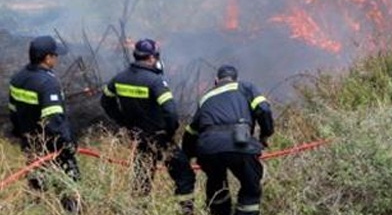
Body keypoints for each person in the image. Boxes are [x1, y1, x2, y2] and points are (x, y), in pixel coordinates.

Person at [100, 38, 195, 214]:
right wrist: (169, 132)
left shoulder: (119, 78)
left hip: (138, 138)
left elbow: (105, 102)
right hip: (160, 138)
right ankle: (186, 211)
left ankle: (138, 211)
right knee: (184, 174)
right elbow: (171, 113)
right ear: (151, 58)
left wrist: (124, 122)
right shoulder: (155, 81)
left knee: (141, 180)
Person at [182, 65, 274, 215]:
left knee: (217, 186)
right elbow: (264, 109)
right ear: (235, 79)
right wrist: (265, 134)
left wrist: (187, 155)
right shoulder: (245, 87)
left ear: (216, 80)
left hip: (208, 148)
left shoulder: (205, 97)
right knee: (250, 187)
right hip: (239, 144)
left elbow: (192, 130)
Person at [8, 35, 81, 212]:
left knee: (37, 187)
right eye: (55, 56)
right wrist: (66, 144)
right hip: (53, 148)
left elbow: (13, 112)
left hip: (31, 144)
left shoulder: (17, 78)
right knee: (70, 188)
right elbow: (54, 119)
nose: (57, 59)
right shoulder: (48, 83)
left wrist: (22, 135)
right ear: (47, 58)